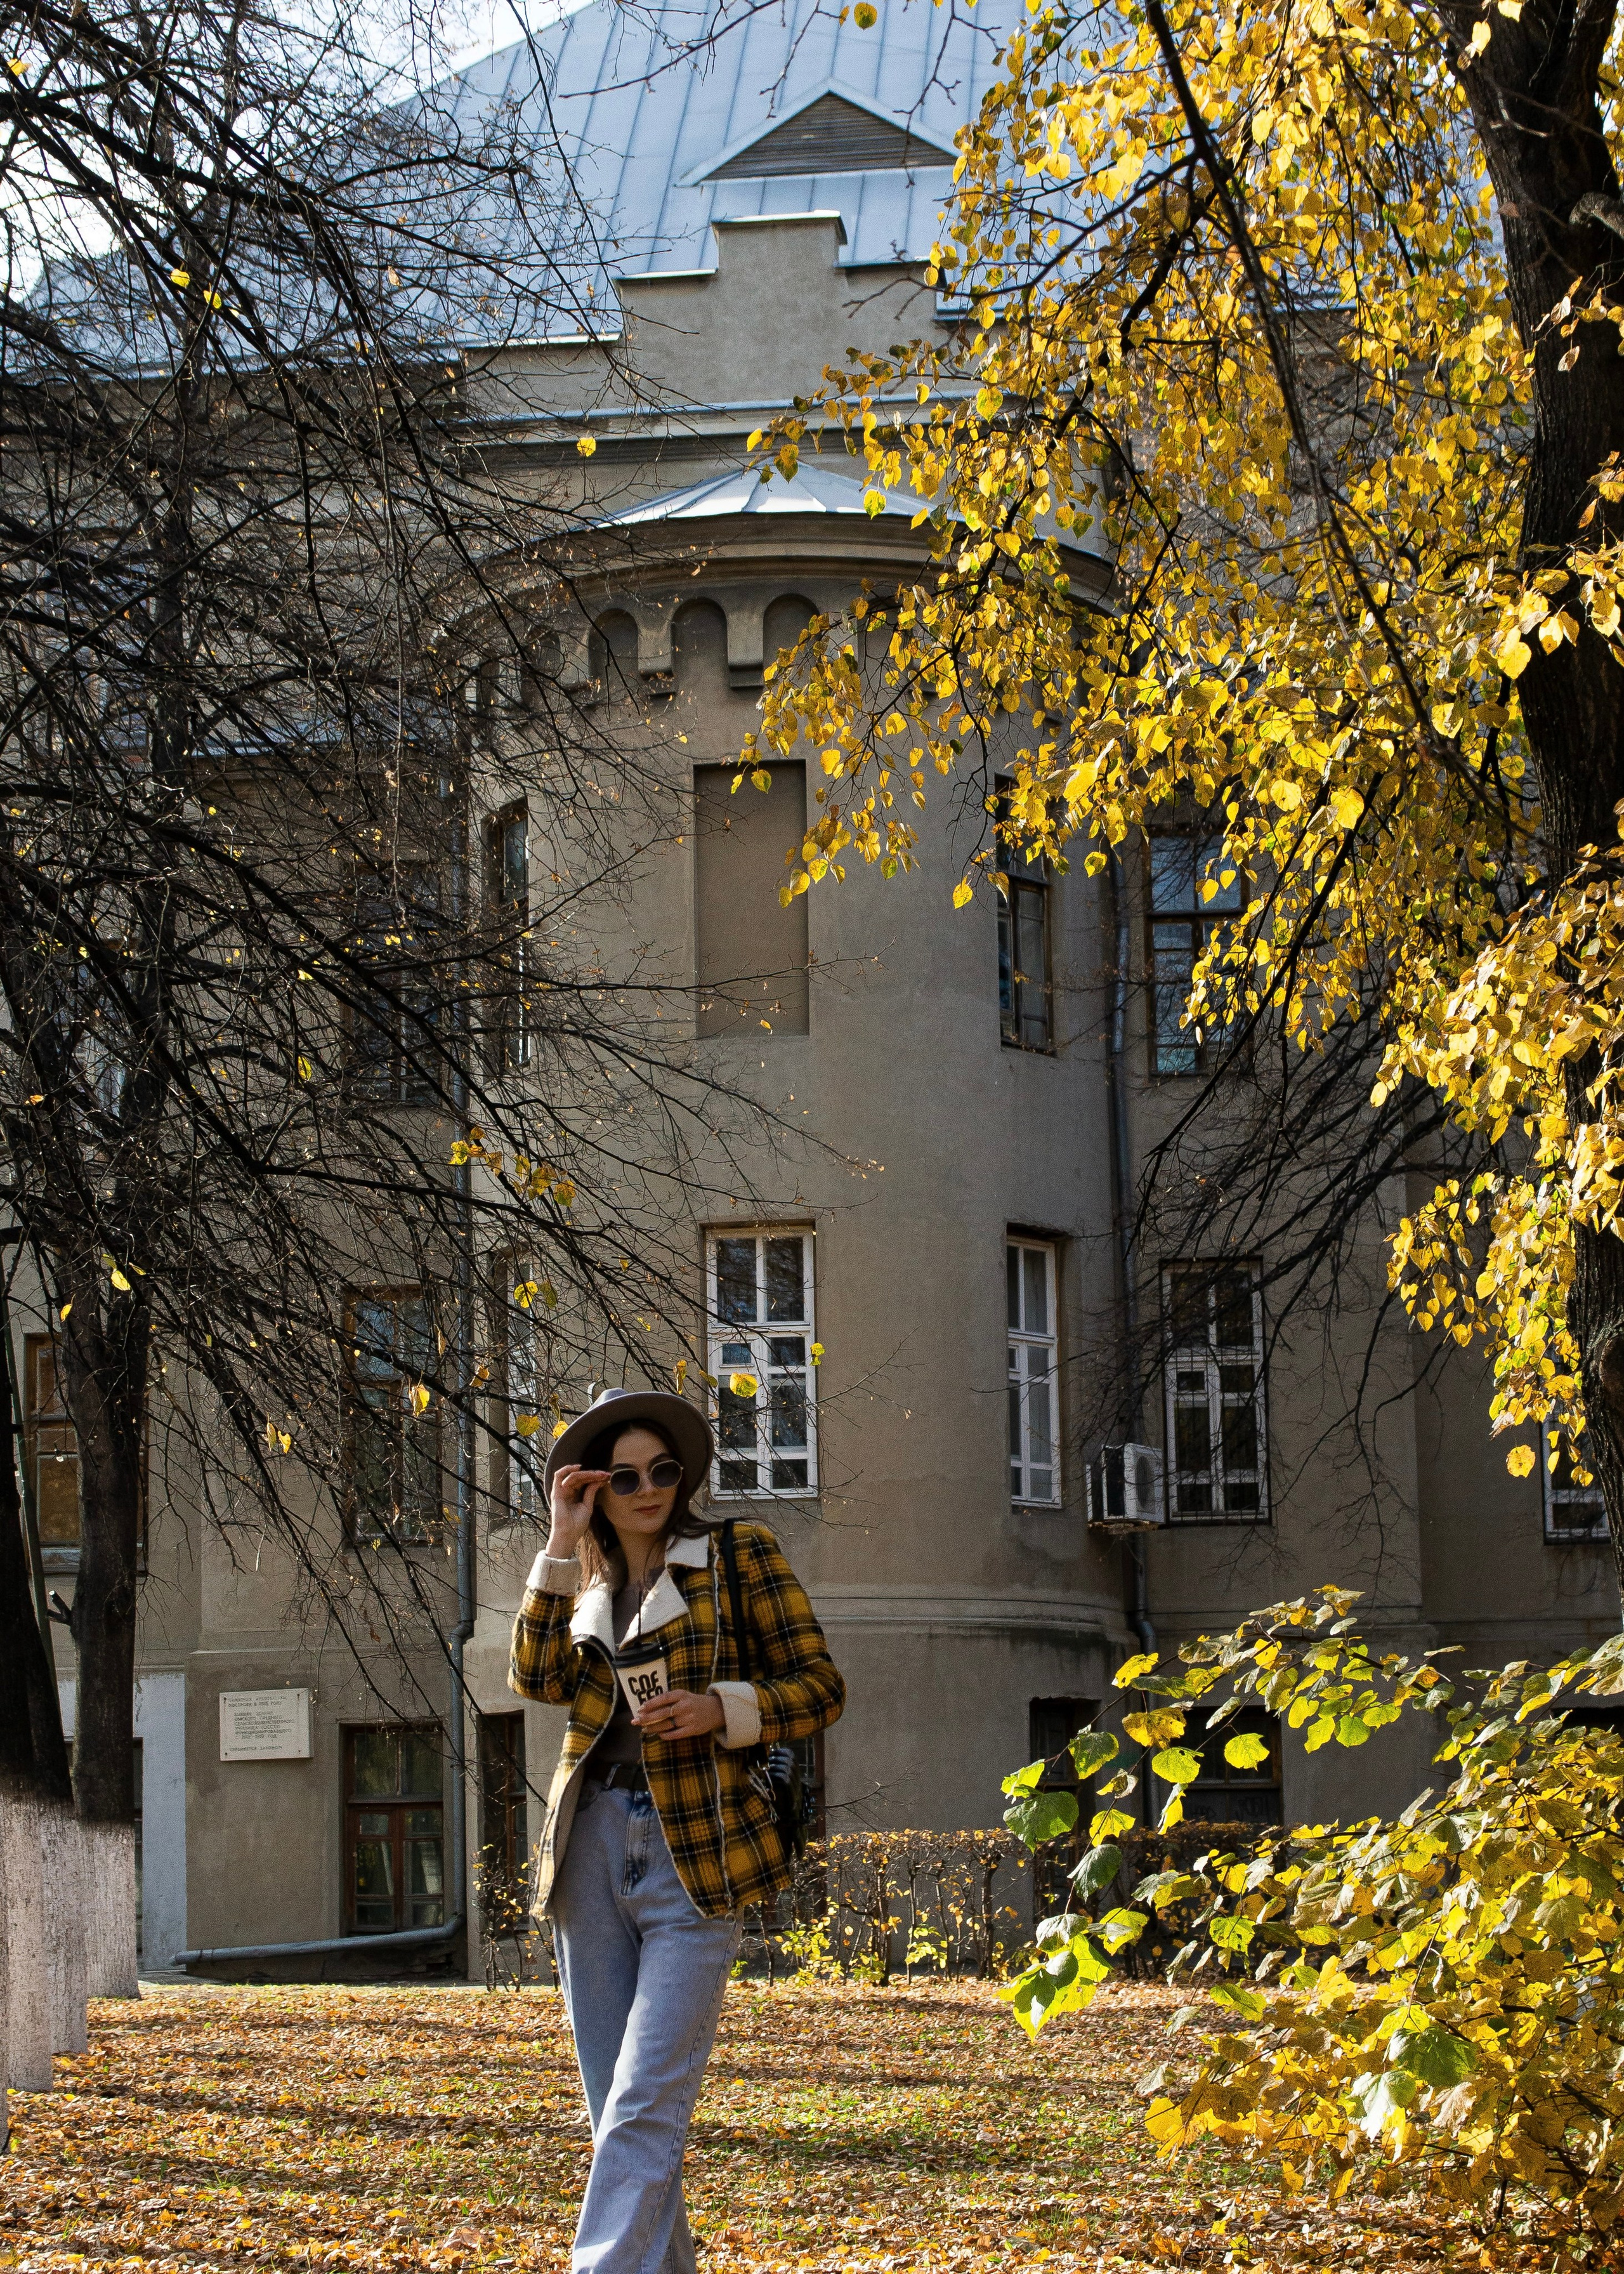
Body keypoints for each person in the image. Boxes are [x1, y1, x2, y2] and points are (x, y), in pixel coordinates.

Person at [509, 1384, 845, 2274]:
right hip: (587, 1848)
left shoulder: (734, 1554)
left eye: (664, 1470)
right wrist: (557, 1543)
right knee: (612, 2105)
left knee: (645, 2099)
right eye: (624, 1477)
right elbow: (534, 1679)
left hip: (695, 1846)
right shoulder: (588, 1582)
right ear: (593, 1489)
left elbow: (821, 1686)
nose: (649, 1488)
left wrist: (720, 1709)